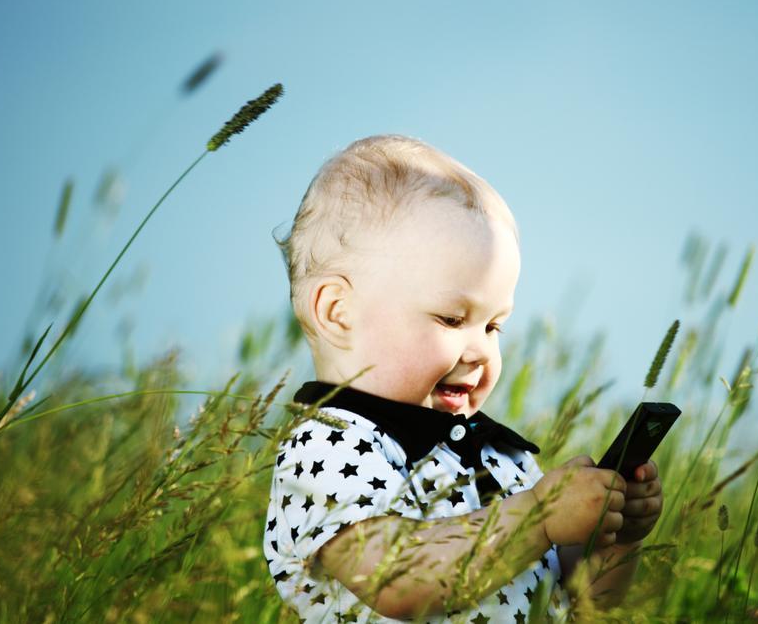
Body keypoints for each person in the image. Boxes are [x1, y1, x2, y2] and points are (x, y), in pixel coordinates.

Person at [262, 135, 663, 622]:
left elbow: (584, 599)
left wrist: (611, 538)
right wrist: (537, 516)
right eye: (452, 320)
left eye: (494, 326)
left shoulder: (499, 457)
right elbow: (399, 578)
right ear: (338, 313)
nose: (480, 350)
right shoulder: (329, 447)